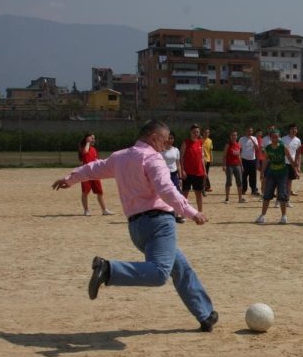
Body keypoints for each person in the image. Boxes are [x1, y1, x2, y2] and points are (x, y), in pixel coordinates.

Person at [51, 119, 218, 332]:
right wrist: (192, 213)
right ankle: (109, 270)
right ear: (153, 137)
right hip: (159, 224)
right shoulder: (153, 158)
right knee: (159, 273)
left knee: (180, 267)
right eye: (165, 140)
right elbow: (167, 190)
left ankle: (205, 315)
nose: (166, 145)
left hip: (137, 228)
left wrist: (70, 178)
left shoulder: (120, 157)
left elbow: (94, 168)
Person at [255, 129, 297, 224]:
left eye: (277, 137)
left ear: (279, 137)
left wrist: (296, 171)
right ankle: (262, 216)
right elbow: (265, 161)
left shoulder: (283, 147)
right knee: (267, 194)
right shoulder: (268, 148)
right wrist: (262, 172)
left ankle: (283, 217)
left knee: (282, 195)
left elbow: (290, 159)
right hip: (271, 173)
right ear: (270, 137)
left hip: (282, 173)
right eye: (273, 137)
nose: (275, 139)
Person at [77, 133, 114, 216]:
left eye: (94, 139)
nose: (93, 140)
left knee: (99, 192)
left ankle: (104, 210)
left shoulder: (94, 149)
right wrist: (87, 142)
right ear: (87, 139)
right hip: (85, 173)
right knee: (85, 192)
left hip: (95, 173)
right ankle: (86, 210)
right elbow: (85, 152)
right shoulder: (84, 148)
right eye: (92, 138)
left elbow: (95, 159)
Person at [180, 124, 206, 212]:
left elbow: (202, 158)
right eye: (194, 132)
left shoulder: (200, 142)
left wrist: (204, 171)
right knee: (185, 193)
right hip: (188, 173)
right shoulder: (186, 142)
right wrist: (182, 170)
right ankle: (183, 213)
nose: (196, 133)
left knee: (198, 193)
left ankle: (200, 212)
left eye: (197, 132)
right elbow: (181, 158)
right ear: (190, 132)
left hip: (198, 172)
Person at [161, 131, 185, 223]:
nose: (170, 140)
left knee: (177, 195)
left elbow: (178, 164)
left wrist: (180, 177)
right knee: (164, 195)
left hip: (174, 175)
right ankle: (164, 215)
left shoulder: (176, 150)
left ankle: (176, 215)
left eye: (172, 138)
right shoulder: (161, 150)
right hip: (164, 175)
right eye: (169, 138)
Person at [281, 123, 302, 205]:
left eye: (295, 129)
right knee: (282, 182)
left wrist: (298, 166)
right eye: (292, 129)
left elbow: (299, 154)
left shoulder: (298, 140)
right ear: (289, 130)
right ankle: (279, 200)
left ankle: (287, 200)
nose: (294, 130)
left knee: (289, 182)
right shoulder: (283, 139)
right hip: (283, 163)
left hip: (292, 164)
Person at [222, 130, 246, 204]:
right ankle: (227, 198)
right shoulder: (228, 145)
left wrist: (241, 166)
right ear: (230, 136)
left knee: (239, 182)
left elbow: (239, 156)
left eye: (235, 135)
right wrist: (224, 165)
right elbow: (224, 156)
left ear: (237, 136)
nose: (234, 137)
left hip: (237, 165)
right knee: (229, 181)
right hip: (229, 165)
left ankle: (240, 198)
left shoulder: (238, 145)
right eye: (232, 135)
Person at [238, 127, 260, 196]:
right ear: (245, 131)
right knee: (244, 176)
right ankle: (243, 190)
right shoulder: (242, 139)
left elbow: (257, 148)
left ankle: (254, 190)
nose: (250, 132)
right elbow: (239, 149)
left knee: (253, 176)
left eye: (251, 131)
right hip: (244, 160)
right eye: (248, 131)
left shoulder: (254, 138)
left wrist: (252, 141)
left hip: (252, 160)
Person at [202, 128, 214, 194]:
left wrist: (212, 159)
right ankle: (206, 186)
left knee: (206, 173)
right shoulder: (200, 140)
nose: (206, 134)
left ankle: (206, 186)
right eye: (205, 132)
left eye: (208, 132)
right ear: (203, 133)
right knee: (203, 173)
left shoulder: (210, 141)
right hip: (202, 159)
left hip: (208, 159)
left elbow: (210, 151)